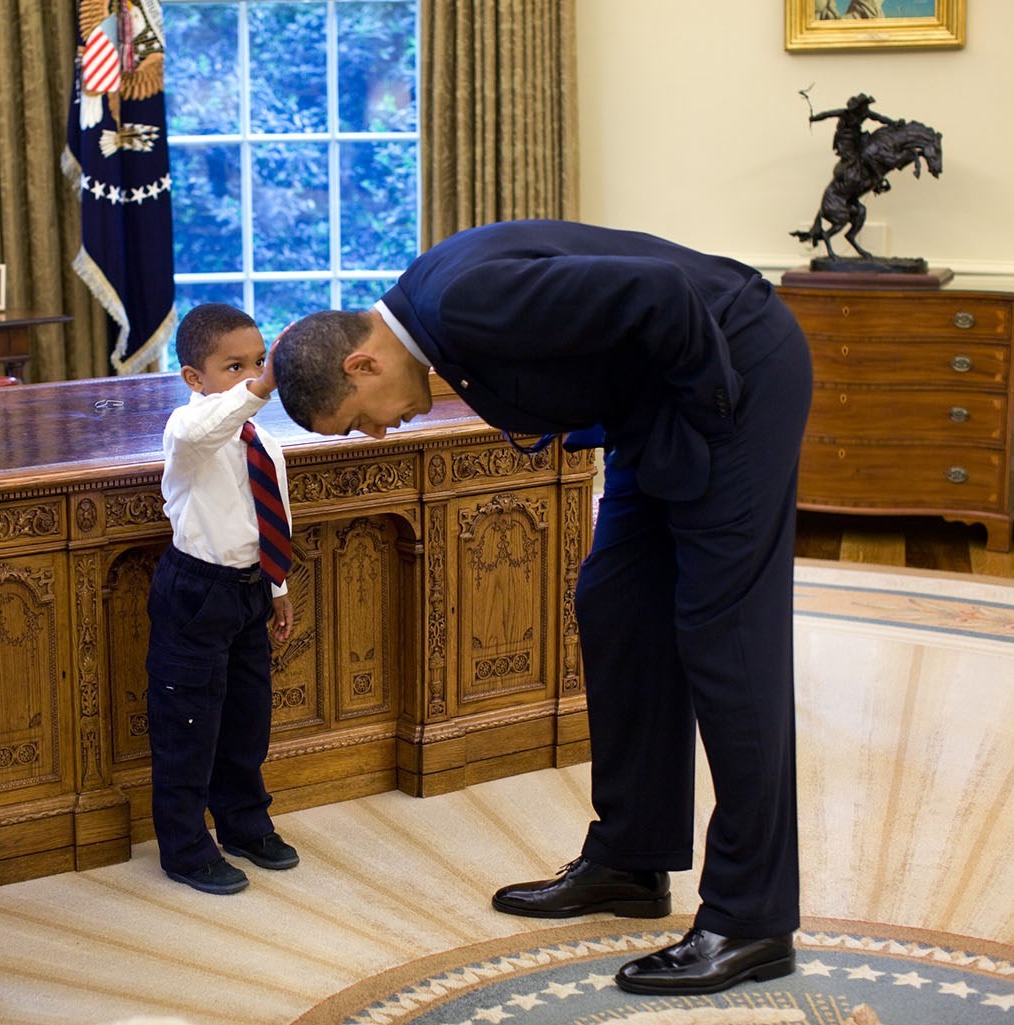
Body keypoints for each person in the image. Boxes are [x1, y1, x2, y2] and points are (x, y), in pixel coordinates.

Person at [271, 219, 812, 995]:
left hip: (732, 374)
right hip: (660, 401)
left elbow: (663, 293)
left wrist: (712, 421)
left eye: (359, 416)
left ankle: (752, 919)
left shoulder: (462, 302)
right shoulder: (434, 314)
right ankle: (631, 859)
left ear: (362, 361)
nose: (377, 429)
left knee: (728, 640)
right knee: (617, 605)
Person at [147, 303, 300, 895]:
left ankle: (244, 823)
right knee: (188, 722)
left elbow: (271, 513)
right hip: (195, 591)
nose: (249, 375)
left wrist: (277, 586)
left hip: (249, 591)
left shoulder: (261, 439)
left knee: (246, 717)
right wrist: (261, 386)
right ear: (194, 378)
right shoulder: (188, 433)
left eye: (257, 362)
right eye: (232, 366)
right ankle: (185, 847)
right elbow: (205, 426)